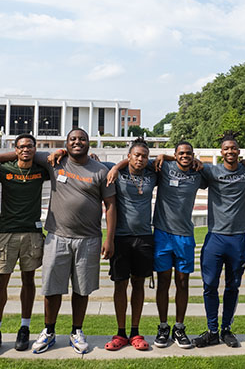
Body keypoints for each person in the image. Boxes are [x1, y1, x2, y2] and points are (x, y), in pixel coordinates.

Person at [30, 128, 117, 354]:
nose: (77, 142)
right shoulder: (54, 162)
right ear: (66, 143)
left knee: (82, 289)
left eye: (82, 139)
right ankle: (49, 331)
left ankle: (77, 331)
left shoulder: (100, 169)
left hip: (88, 239)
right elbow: (22, 152)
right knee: (51, 288)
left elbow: (110, 206)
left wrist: (109, 239)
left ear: (89, 143)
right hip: (57, 236)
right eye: (72, 139)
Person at [192, 131, 245, 348]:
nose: (230, 151)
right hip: (215, 237)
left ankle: (226, 330)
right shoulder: (211, 171)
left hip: (238, 238)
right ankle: (212, 330)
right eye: (226, 149)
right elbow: (188, 166)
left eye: (233, 148)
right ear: (221, 153)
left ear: (239, 151)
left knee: (233, 286)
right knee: (209, 285)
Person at [0, 133, 51, 355]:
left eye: (29, 146)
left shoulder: (41, 170)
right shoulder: (3, 170)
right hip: (6, 233)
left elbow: (59, 160)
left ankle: (25, 328)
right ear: (15, 149)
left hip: (32, 233)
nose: (25, 150)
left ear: (34, 148)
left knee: (28, 281)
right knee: (0, 283)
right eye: (21, 147)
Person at [98, 137, 157, 351]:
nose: (140, 159)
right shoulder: (117, 172)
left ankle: (135, 331)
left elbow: (165, 160)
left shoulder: (152, 173)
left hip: (144, 237)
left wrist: (120, 164)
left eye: (144, 156)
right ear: (129, 156)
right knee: (120, 284)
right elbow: (89, 159)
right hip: (121, 238)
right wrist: (117, 166)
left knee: (139, 284)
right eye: (137, 155)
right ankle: (120, 332)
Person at [151, 141, 206, 349]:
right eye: (181, 153)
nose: (185, 156)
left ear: (194, 155)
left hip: (185, 235)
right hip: (163, 234)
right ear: (175, 154)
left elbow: (225, 170)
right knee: (163, 281)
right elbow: (134, 160)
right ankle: (163, 326)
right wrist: (166, 157)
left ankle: (179, 327)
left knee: (183, 282)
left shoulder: (199, 172)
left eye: (189, 153)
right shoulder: (164, 167)